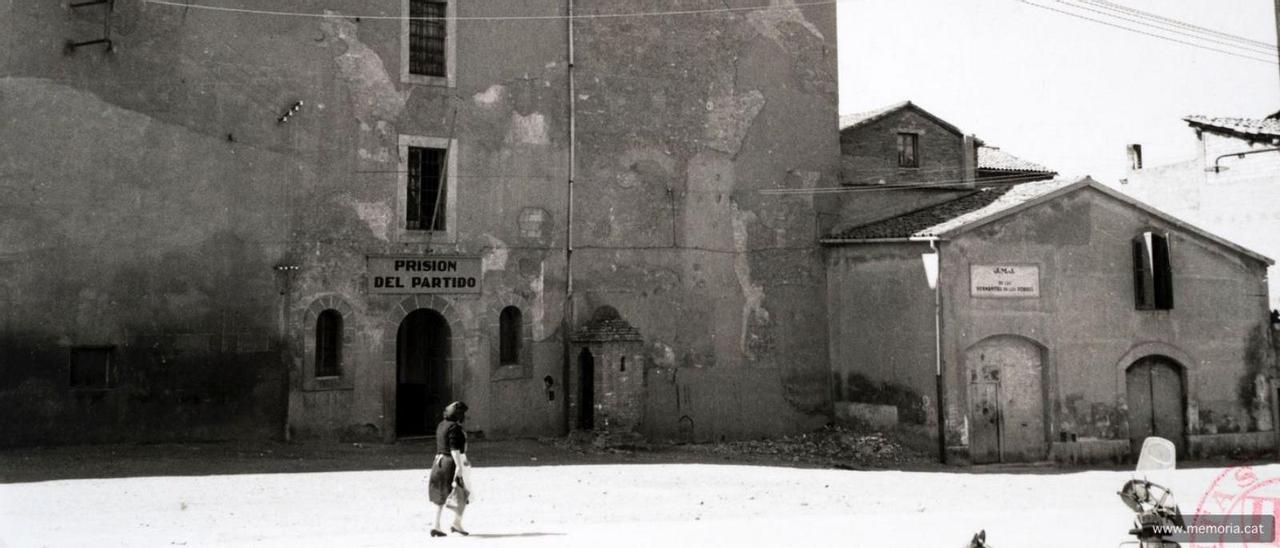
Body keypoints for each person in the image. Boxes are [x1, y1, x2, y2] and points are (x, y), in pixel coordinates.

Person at [429, 401, 470, 537]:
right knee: (462, 494)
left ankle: (436, 525)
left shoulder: (441, 425)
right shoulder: (455, 428)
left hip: (438, 462)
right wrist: (459, 466)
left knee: (440, 496)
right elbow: (454, 448)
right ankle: (456, 524)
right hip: (450, 462)